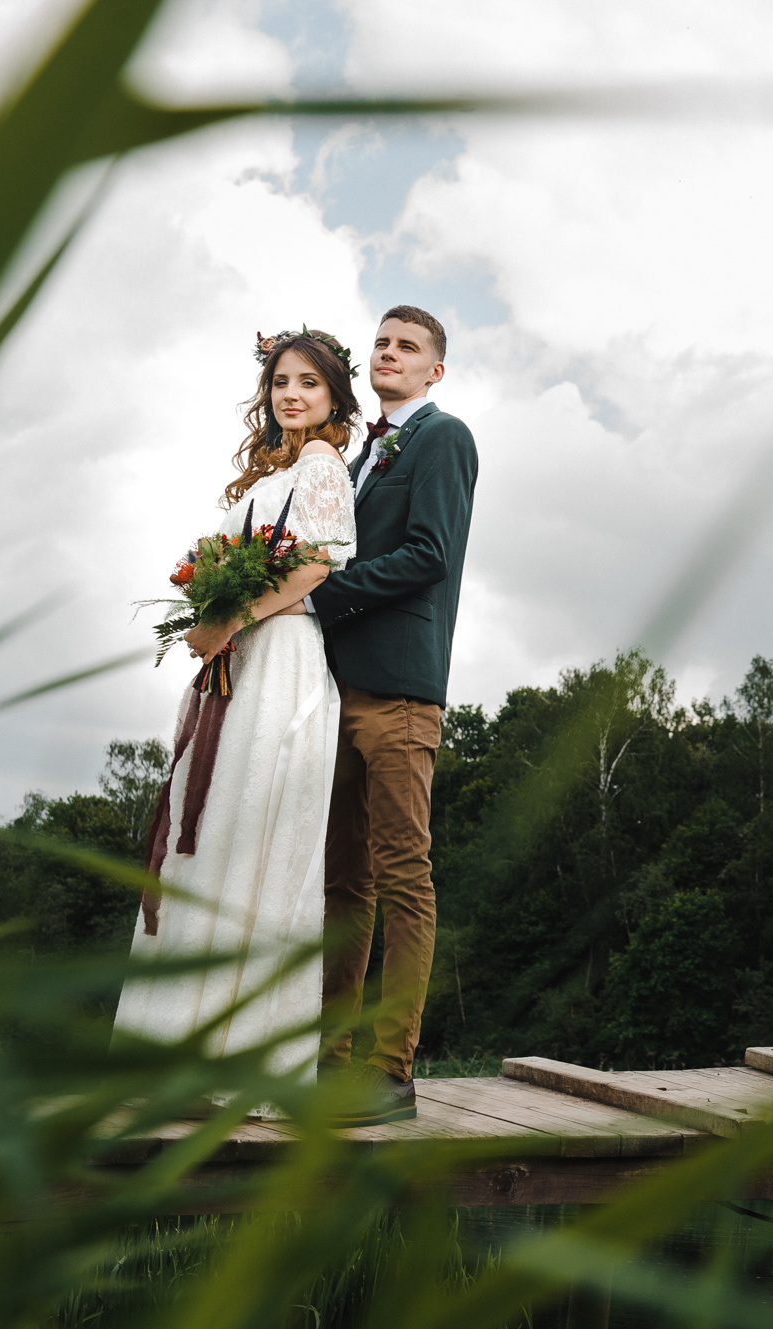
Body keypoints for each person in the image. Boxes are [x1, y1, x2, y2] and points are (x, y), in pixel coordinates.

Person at [111, 330, 360, 1103]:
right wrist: (210, 615)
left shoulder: (321, 468)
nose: (292, 394)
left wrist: (232, 618)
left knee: (245, 835)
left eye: (309, 384)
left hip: (279, 657)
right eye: (282, 381)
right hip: (243, 660)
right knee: (211, 839)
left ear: (333, 397)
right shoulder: (275, 470)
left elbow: (316, 563)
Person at [312, 305, 479, 1126]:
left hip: (402, 693)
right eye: (381, 342)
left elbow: (430, 554)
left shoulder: (443, 438)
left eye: (407, 346)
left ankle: (390, 1072)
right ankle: (326, 1064)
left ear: (434, 371)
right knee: (345, 884)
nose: (389, 353)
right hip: (336, 691)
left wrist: (325, 595)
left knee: (404, 880)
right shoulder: (359, 458)